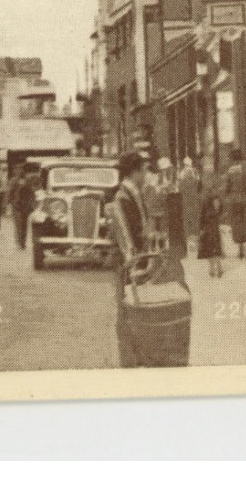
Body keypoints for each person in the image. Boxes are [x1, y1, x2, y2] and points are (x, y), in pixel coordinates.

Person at [108, 150, 155, 367]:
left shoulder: (134, 193)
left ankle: (138, 353)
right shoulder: (122, 197)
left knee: (136, 307)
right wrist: (134, 265)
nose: (146, 174)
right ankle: (129, 360)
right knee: (127, 308)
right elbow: (124, 235)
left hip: (138, 260)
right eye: (143, 170)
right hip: (129, 263)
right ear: (135, 172)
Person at [222, 148, 246, 258]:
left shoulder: (231, 170)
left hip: (234, 200)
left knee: (237, 223)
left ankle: (240, 249)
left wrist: (227, 194)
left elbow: (227, 187)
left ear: (233, 159)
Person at [198, 181, 226, 279]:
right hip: (213, 226)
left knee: (209, 248)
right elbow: (220, 209)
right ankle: (218, 267)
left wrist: (201, 228)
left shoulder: (205, 199)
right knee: (216, 247)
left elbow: (202, 215)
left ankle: (213, 268)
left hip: (207, 227)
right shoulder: (216, 199)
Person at [8, 168, 38, 250]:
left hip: (22, 206)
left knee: (22, 224)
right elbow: (10, 193)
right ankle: (21, 242)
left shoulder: (25, 181)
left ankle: (21, 242)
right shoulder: (15, 181)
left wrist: (32, 204)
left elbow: (31, 193)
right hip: (19, 206)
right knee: (21, 224)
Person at [178, 156, 202, 251]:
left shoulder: (182, 182)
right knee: (195, 222)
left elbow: (179, 190)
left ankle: (189, 243)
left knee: (187, 222)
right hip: (194, 204)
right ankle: (195, 242)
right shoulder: (196, 181)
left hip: (186, 204)